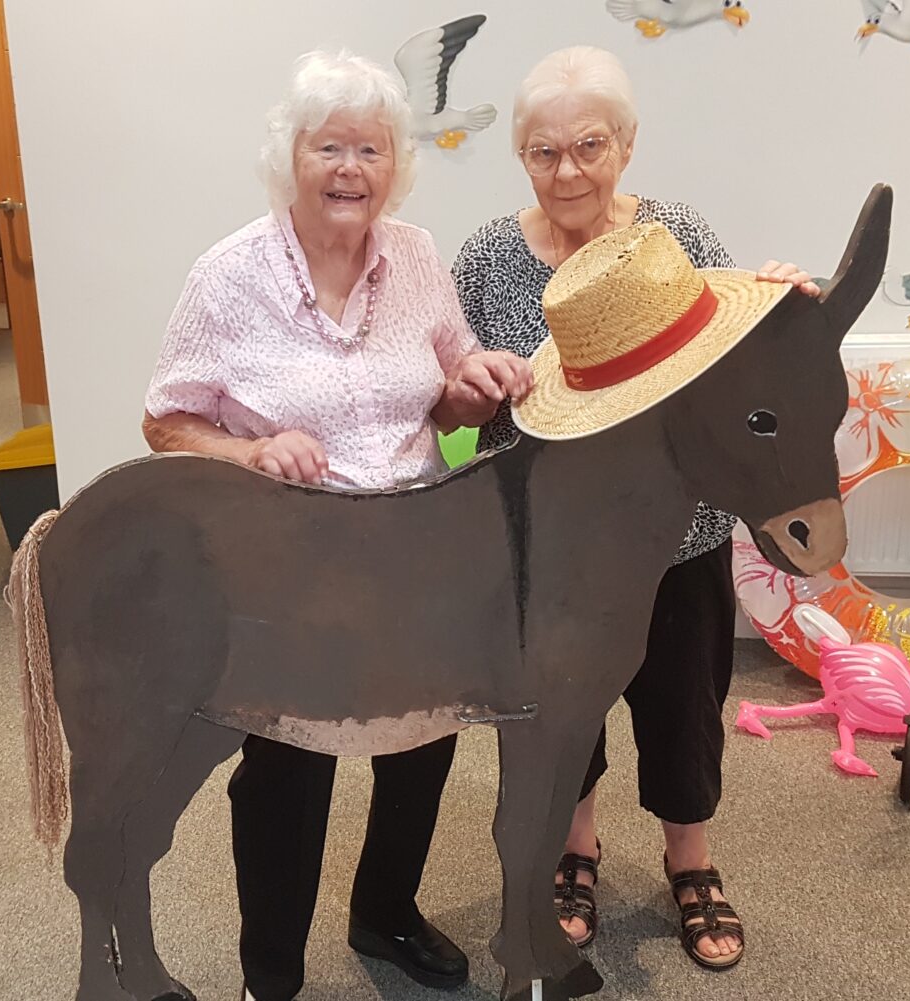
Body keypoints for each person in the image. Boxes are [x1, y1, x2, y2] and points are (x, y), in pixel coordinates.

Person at [142, 50, 532, 1001]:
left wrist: (472, 383)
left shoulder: (419, 257)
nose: (351, 168)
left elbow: (445, 393)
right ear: (292, 157)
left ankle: (385, 911)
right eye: (330, 147)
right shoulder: (228, 274)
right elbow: (165, 419)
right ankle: (270, 972)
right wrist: (251, 451)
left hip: (416, 546)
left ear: (395, 163)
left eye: (371, 148)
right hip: (289, 563)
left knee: (423, 740)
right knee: (289, 765)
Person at [452, 45, 820, 969]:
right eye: (543, 152)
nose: (568, 171)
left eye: (590, 145)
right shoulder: (488, 256)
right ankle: (575, 849)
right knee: (558, 708)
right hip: (547, 548)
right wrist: (468, 385)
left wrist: (782, 304)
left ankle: (690, 859)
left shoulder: (675, 234)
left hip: (676, 537)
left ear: (626, 144)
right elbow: (452, 398)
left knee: (684, 702)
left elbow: (735, 352)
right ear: (521, 157)